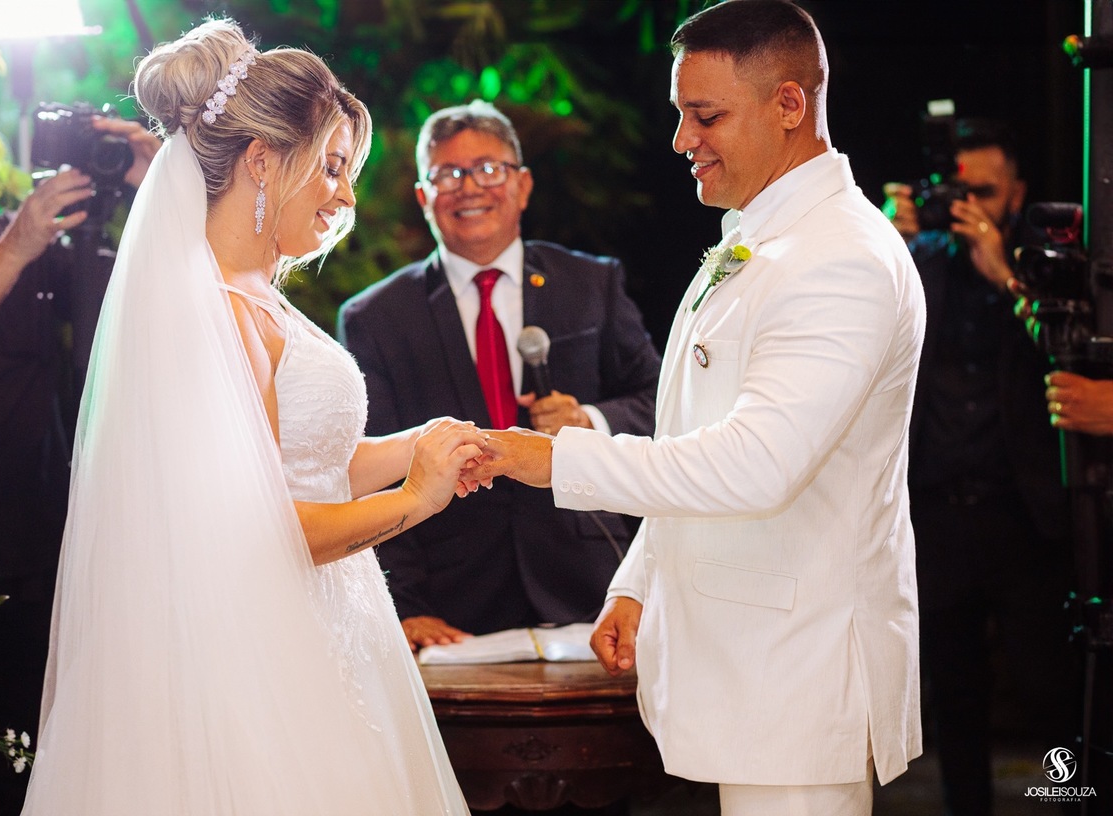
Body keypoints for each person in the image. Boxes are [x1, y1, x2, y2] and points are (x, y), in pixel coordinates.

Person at [468, 1, 925, 813]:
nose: (682, 139)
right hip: (743, 669)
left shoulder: (841, 258)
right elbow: (693, 436)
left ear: (790, 104)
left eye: (705, 115)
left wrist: (555, 460)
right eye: (682, 114)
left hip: (798, 676)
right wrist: (639, 578)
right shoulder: (764, 233)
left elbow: (756, 465)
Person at [19, 19, 481, 813]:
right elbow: (259, 529)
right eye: (333, 168)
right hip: (255, 652)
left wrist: (421, 445)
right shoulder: (219, 316)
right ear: (263, 160)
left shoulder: (260, 302)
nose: (345, 195)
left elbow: (302, 460)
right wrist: (417, 499)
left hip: (330, 625)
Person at [0, 46, 158, 814]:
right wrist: (16, 245)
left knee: (42, 776)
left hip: (37, 555)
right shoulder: (15, 236)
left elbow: (138, 319)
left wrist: (159, 195)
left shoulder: (20, 229)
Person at [337, 100, 661, 651]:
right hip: (452, 604)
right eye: (448, 174)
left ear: (524, 185)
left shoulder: (591, 284)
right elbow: (370, 472)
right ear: (423, 197)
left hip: (593, 581)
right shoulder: (376, 317)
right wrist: (406, 607)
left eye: (489, 169)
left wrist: (589, 418)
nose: (470, 187)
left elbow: (662, 402)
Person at [884, 119, 1077, 816]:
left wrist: (1006, 273)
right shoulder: (917, 261)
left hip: (1023, 515)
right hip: (938, 512)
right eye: (960, 192)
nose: (971, 207)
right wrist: (889, 237)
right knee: (954, 695)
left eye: (986, 193)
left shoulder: (1046, 265)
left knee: (1050, 688)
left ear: (1016, 194)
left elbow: (1070, 358)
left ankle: (1075, 801)